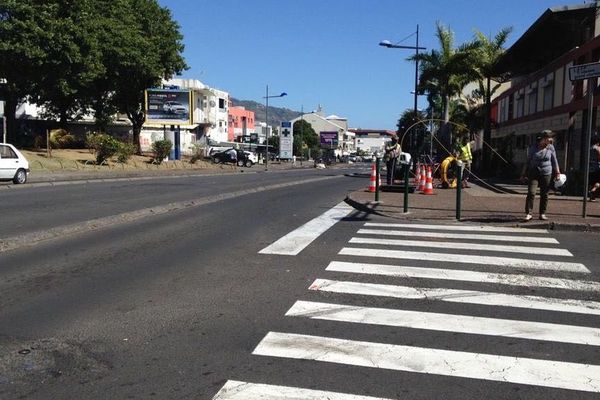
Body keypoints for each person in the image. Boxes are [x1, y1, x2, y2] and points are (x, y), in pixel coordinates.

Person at [521, 130, 561, 221]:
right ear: (543, 138)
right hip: (534, 172)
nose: (551, 139)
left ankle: (542, 213)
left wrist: (557, 172)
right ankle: (529, 213)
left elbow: (554, 161)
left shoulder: (551, 147)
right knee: (531, 192)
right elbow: (527, 161)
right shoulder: (534, 147)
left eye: (551, 137)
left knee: (545, 194)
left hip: (547, 173)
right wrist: (523, 173)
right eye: (549, 137)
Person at [589, 135, 600, 201]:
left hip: (590, 168)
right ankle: (593, 190)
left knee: (591, 182)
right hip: (597, 167)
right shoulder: (597, 148)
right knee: (598, 181)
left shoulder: (589, 148)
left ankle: (592, 196)